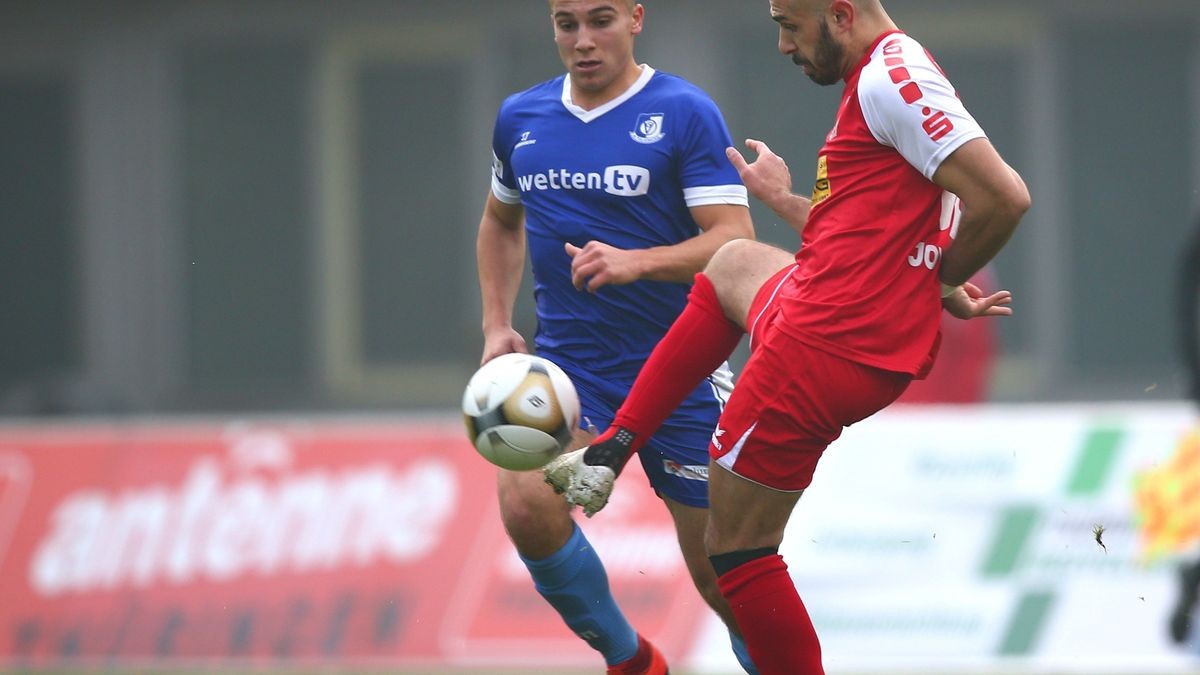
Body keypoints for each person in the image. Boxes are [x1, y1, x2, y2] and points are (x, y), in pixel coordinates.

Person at [544, 1, 1031, 672]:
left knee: (737, 546)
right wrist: (785, 201)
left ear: (837, 14)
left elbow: (1005, 198)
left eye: (788, 24)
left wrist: (934, 278)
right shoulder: (892, 71)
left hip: (824, 346)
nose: (782, 44)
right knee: (734, 264)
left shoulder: (891, 80)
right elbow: (867, 236)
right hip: (837, 314)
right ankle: (614, 446)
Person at [475, 1, 758, 673]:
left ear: (636, 18)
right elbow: (500, 221)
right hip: (574, 369)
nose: (583, 40)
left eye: (600, 20)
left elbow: (734, 240)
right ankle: (631, 660)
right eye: (566, 24)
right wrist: (496, 323)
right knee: (524, 501)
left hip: (683, 370)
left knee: (725, 577)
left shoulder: (685, 111)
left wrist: (640, 261)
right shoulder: (521, 118)